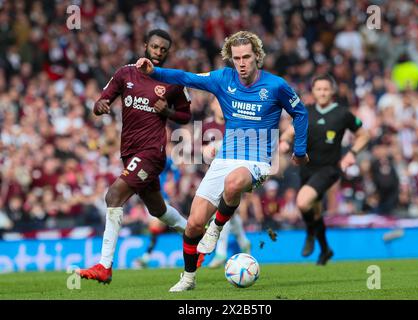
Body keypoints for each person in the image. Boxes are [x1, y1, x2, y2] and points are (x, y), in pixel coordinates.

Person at [136, 30, 309, 292]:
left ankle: (216, 228)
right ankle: (188, 278)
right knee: (193, 223)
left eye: (247, 57)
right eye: (237, 58)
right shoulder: (222, 79)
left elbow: (300, 112)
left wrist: (299, 150)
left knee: (234, 182)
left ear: (257, 57)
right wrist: (154, 72)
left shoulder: (276, 86)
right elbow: (186, 77)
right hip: (225, 158)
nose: (242, 63)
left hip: (258, 161)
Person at [76, 29, 191, 283]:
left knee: (113, 195)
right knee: (157, 209)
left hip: (152, 152)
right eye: (155, 47)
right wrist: (101, 106)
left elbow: (186, 115)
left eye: (164, 49)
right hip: (129, 151)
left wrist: (169, 112)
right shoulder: (125, 73)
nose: (159, 53)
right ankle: (195, 234)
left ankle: (104, 267)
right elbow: (99, 103)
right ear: (145, 46)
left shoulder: (173, 81)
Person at [280, 74, 370, 265]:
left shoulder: (343, 113)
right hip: (306, 168)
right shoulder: (305, 111)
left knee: (303, 203)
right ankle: (325, 250)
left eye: (326, 89)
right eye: (318, 89)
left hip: (329, 169)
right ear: (313, 91)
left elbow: (364, 135)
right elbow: (289, 133)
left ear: (332, 91)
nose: (322, 92)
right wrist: (285, 143)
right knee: (315, 212)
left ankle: (310, 232)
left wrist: (352, 153)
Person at [202, 97, 251, 268]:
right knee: (230, 213)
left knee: (222, 209)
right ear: (213, 106)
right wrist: (206, 152)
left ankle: (221, 252)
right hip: (214, 174)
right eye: (218, 102)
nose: (221, 106)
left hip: (234, 175)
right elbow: (200, 150)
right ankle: (244, 241)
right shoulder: (206, 127)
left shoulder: (236, 123)